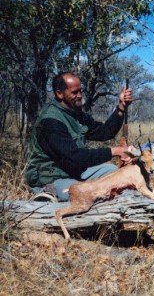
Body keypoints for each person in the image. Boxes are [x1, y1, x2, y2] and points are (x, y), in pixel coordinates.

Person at [26, 72, 133, 201]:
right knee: (89, 194)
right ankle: (47, 194)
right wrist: (115, 151)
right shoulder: (50, 121)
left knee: (115, 173)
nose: (80, 95)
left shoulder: (75, 114)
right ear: (59, 94)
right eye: (74, 92)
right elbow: (75, 157)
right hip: (52, 178)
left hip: (74, 171)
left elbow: (105, 132)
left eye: (80, 91)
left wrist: (121, 107)